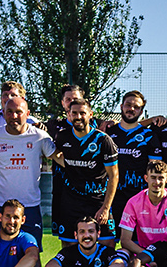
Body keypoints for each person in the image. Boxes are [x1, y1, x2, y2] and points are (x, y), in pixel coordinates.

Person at [0, 96, 64, 246]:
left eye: (18, 112)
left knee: (33, 253)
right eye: (9, 112)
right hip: (0, 205)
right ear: (3, 113)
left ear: (27, 113)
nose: (14, 116)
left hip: (29, 206)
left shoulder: (40, 136)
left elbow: (62, 159)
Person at [48, 97, 119, 248]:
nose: (78, 117)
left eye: (82, 113)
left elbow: (114, 176)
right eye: (74, 113)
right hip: (71, 202)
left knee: (107, 247)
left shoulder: (103, 140)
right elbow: (58, 156)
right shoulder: (62, 137)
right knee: (68, 250)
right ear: (69, 115)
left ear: (90, 114)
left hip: (98, 201)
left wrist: (106, 208)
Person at [0, 81, 38, 226]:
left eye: (13, 95)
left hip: (21, 189)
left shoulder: (31, 122)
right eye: (5, 95)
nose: (9, 98)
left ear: (22, 99)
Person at [107, 90, 160, 224]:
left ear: (141, 112)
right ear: (121, 106)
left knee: (138, 241)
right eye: (128, 105)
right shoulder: (108, 133)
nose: (131, 109)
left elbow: (155, 168)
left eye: (136, 107)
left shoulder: (149, 135)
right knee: (109, 241)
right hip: (111, 197)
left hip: (138, 197)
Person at [118, 159, 167, 254]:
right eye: (153, 177)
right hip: (143, 251)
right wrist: (148, 255)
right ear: (146, 178)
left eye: (161, 178)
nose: (157, 182)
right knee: (122, 254)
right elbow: (125, 240)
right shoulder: (133, 203)